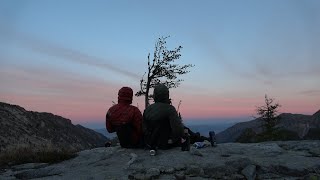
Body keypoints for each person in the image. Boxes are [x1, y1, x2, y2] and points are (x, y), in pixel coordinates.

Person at [143, 84, 185, 151]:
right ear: (166, 95)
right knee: (186, 132)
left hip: (150, 143)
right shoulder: (170, 109)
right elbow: (178, 130)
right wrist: (174, 139)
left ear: (155, 95)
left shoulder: (147, 110)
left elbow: (144, 129)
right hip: (166, 143)